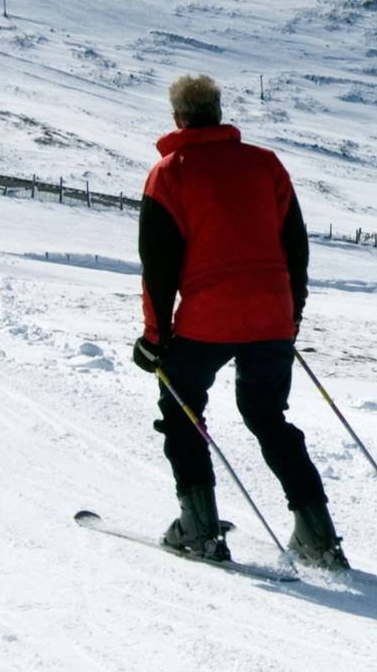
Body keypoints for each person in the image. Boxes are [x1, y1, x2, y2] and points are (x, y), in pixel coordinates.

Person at [131, 74, 345, 570]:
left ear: (177, 117)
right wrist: (291, 315)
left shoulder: (169, 172)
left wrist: (155, 338)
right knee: (268, 417)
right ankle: (318, 536)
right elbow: (296, 246)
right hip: (272, 315)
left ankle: (200, 529)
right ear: (219, 111)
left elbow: (157, 267)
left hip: (207, 320)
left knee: (183, 409)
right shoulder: (266, 164)